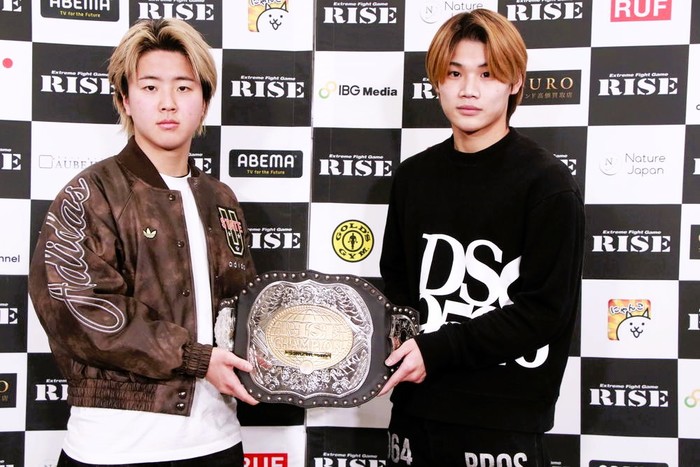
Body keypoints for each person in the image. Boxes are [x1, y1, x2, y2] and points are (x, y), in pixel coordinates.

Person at [29, 18, 258, 467]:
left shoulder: (221, 199)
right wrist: (195, 358)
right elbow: (80, 311)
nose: (168, 103)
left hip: (217, 441)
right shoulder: (91, 193)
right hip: (114, 449)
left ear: (204, 101)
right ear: (124, 100)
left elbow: (245, 307)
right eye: (150, 87)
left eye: (184, 88)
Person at [378, 9, 584, 466]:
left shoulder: (547, 184)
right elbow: (397, 284)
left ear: (515, 83)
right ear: (437, 81)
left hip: (504, 420)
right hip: (416, 410)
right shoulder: (413, 177)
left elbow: (544, 311)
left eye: (487, 74)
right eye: (455, 73)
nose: (468, 89)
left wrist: (437, 349)